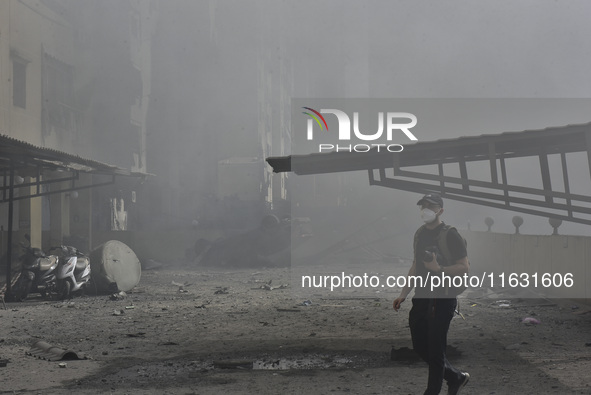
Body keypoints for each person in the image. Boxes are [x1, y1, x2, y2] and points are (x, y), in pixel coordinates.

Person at [393, 192, 470, 395]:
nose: (426, 210)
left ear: (440, 210)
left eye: (431, 206)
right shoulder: (419, 234)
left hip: (442, 298)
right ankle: (455, 377)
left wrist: (439, 270)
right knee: (420, 346)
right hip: (421, 297)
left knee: (436, 350)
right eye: (423, 206)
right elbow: (415, 265)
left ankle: (432, 391)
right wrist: (403, 294)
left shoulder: (451, 234)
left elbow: (464, 267)